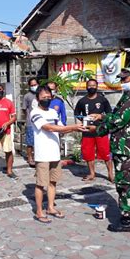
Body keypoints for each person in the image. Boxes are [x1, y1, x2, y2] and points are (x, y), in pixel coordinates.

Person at [88, 67, 130, 232]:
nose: (122, 83)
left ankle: (127, 221)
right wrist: (103, 116)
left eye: (124, 80)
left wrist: (96, 129)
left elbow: (118, 121)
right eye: (120, 79)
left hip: (125, 148)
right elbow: (120, 116)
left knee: (125, 184)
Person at [30, 85, 86, 224]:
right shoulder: (35, 112)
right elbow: (48, 128)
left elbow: (60, 129)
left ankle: (50, 207)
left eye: (49, 97)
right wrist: (72, 127)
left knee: (53, 182)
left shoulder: (53, 113)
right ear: (38, 98)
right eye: (44, 97)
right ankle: (39, 211)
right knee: (40, 184)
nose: (46, 99)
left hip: (55, 153)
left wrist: (78, 129)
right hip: (42, 154)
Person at [74, 79, 114, 182]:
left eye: (94, 85)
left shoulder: (102, 100)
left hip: (101, 131)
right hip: (87, 132)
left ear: (97, 87)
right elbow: (77, 114)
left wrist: (100, 116)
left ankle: (110, 174)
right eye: (90, 85)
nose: (92, 87)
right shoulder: (82, 101)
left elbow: (110, 115)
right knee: (88, 153)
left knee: (105, 152)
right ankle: (92, 173)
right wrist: (83, 121)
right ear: (86, 87)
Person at [22, 77, 39, 167]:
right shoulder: (27, 96)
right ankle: (30, 158)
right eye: (31, 85)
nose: (33, 86)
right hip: (30, 122)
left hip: (41, 122)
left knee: (39, 141)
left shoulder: (41, 94)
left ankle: (38, 157)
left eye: (35, 85)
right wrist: (29, 117)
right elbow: (24, 109)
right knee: (30, 142)